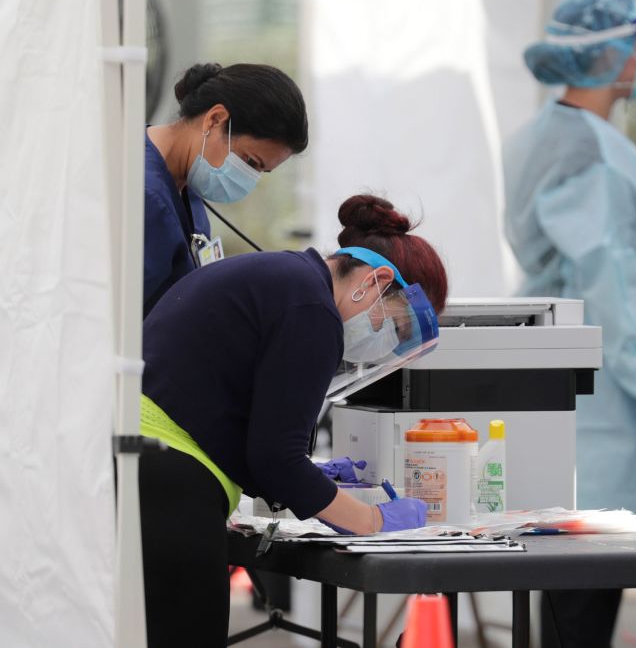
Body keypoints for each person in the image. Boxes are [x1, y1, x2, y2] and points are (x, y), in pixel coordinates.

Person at [138, 194, 447, 646]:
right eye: (394, 327)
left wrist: (311, 477)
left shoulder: (288, 280)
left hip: (147, 472)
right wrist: (370, 521)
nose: (384, 344)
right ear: (376, 280)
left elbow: (244, 425)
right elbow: (275, 460)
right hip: (171, 487)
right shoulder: (313, 310)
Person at [503, 0, 636, 648]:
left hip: (552, 368)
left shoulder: (545, 137)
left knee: (562, 578)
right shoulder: (597, 156)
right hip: (603, 391)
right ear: (609, 56)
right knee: (589, 577)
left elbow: (575, 242)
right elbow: (608, 278)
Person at [144, 62, 308, 314]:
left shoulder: (188, 186)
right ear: (215, 119)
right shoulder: (143, 194)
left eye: (260, 172)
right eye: (250, 161)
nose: (249, 179)